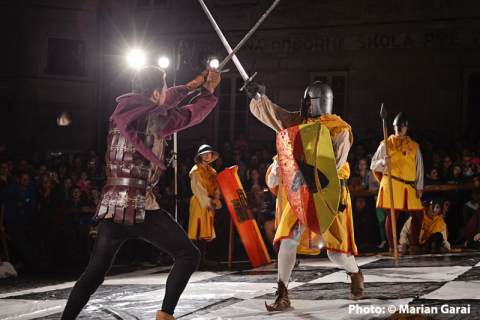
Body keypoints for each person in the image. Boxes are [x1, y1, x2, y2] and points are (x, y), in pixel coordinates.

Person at [61, 66, 221, 320]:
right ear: (156, 92)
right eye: (165, 87)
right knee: (189, 255)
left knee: (93, 274)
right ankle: (164, 316)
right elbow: (191, 115)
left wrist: (193, 85)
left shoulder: (120, 115)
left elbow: (163, 102)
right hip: (141, 208)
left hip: (112, 207)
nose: (167, 91)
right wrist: (209, 92)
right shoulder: (156, 120)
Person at [248, 80, 364, 311]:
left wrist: (302, 163)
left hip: (330, 191)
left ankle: (355, 273)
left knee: (336, 255)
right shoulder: (299, 122)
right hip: (301, 189)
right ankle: (282, 293)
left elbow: (335, 163)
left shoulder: (340, 128)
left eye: (312, 102)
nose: (308, 107)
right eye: (306, 102)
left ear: (322, 103)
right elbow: (275, 116)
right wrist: (259, 97)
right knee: (288, 241)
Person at [371, 111, 424, 256]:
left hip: (409, 185)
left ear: (407, 128)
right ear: (393, 127)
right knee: (392, 216)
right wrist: (383, 162)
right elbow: (373, 164)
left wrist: (419, 186)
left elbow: (419, 167)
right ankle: (393, 247)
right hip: (392, 183)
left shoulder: (414, 147)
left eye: (402, 127)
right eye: (397, 127)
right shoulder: (386, 145)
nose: (399, 129)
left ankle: (414, 246)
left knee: (418, 215)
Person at [187, 145, 222, 267]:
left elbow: (217, 188)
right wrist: (209, 203)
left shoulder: (213, 172)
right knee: (195, 231)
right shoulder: (195, 170)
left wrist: (215, 200)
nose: (207, 155)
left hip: (210, 203)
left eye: (209, 153)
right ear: (200, 155)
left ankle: (202, 258)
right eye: (205, 153)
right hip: (199, 202)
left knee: (205, 231)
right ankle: (193, 260)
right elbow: (198, 189)